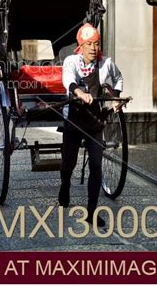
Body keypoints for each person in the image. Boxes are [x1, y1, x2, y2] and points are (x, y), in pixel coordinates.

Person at [60, 23, 123, 227]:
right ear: (81, 46)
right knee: (68, 162)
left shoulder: (106, 63)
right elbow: (68, 80)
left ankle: (91, 212)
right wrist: (79, 92)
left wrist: (116, 97)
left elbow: (118, 78)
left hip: (95, 121)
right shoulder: (72, 61)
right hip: (74, 119)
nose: (94, 48)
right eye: (89, 44)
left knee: (96, 166)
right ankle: (65, 185)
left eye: (96, 43)